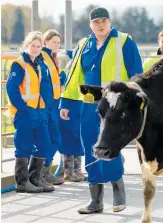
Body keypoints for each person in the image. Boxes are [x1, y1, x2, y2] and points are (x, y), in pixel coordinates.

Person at [60, 7, 143, 214]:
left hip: (114, 106)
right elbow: (75, 76)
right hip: (89, 105)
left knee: (110, 145)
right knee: (91, 147)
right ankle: (95, 200)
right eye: (96, 22)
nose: (101, 24)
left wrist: (134, 100)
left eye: (104, 20)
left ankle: (118, 191)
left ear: (110, 22)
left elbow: (136, 74)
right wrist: (66, 103)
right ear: (91, 25)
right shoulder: (83, 45)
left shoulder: (124, 41)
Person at [6, 31, 54, 193]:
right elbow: (11, 89)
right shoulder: (18, 64)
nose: (35, 49)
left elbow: (45, 88)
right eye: (32, 46)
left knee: (44, 144)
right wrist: (22, 108)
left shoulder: (40, 64)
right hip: (25, 111)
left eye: (38, 46)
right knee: (24, 145)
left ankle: (35, 179)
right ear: (26, 46)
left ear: (41, 48)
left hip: (40, 111)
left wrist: (46, 108)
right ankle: (22, 182)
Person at [41, 29, 65, 185]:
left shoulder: (52, 58)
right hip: (48, 106)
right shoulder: (43, 57)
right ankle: (43, 172)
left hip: (54, 103)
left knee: (53, 139)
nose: (57, 45)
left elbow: (53, 83)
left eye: (58, 42)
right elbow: (44, 83)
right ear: (45, 42)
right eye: (54, 42)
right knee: (54, 139)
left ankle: (44, 172)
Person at [59, 60, 85, 182]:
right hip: (69, 110)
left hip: (79, 110)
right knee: (69, 141)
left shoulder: (84, 74)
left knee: (78, 141)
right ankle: (69, 171)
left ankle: (77, 170)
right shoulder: (65, 74)